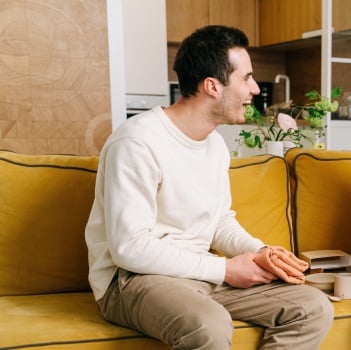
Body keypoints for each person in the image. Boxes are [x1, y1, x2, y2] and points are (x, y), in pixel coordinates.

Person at [85, 25, 333, 350]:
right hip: (133, 279)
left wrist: (260, 252)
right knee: (208, 326)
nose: (255, 89)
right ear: (212, 86)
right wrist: (225, 269)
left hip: (201, 271)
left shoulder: (214, 145)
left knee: (313, 307)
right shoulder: (137, 142)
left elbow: (218, 221)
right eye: (246, 78)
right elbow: (130, 248)